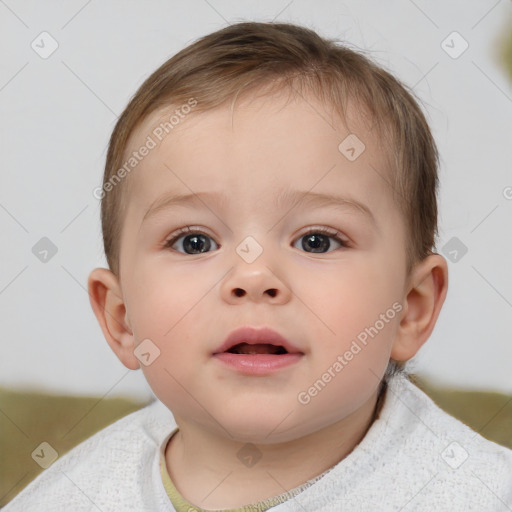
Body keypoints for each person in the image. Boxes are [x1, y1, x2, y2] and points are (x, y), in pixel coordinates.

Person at [5, 21, 511, 512]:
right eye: (194, 242)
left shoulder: (478, 493)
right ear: (121, 318)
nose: (252, 277)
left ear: (410, 310)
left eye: (316, 241)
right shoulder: (70, 497)